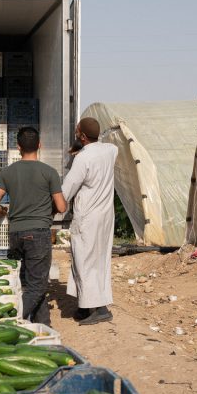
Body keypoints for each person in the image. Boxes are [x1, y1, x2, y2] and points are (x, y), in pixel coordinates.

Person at [0, 127, 67, 325]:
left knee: (28, 282)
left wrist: (0, 211)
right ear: (39, 146)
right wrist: (47, 213)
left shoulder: (7, 172)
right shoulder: (49, 172)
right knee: (38, 285)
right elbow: (61, 205)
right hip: (38, 234)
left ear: (18, 147)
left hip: (15, 234)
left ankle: (42, 324)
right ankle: (9, 319)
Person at [61, 117, 117, 325]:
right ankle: (85, 306)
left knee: (83, 259)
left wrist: (53, 208)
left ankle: (100, 309)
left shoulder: (82, 159)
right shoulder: (110, 150)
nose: (75, 134)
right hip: (105, 215)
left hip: (87, 217)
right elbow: (106, 149)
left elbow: (68, 188)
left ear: (82, 136)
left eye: (77, 132)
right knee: (98, 259)